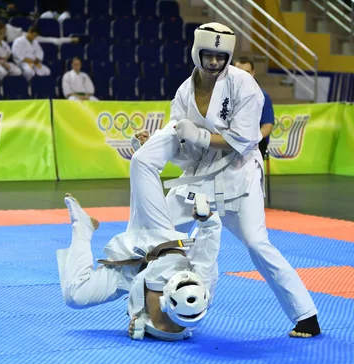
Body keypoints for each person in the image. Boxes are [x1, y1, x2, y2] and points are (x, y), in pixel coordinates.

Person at [133, 22, 320, 338]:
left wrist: (201, 135)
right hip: (200, 176)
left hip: (239, 175)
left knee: (257, 242)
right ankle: (146, 311)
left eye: (221, 57)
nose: (215, 63)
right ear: (197, 52)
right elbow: (186, 150)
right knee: (157, 237)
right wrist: (154, 143)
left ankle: (306, 315)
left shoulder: (244, 85)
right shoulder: (183, 93)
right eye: (209, 55)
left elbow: (245, 139)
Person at [57, 125, 222, 341]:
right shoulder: (202, 283)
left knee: (74, 296)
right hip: (164, 243)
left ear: (166, 304)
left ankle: (83, 228)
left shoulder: (164, 321)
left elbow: (140, 314)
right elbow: (210, 239)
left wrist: (137, 319)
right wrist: (207, 217)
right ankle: (171, 130)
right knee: (142, 163)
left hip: (133, 265)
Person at [233, 57, 274, 158]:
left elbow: (267, 126)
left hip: (254, 142)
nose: (242, 76)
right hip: (229, 140)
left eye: (246, 72)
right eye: (239, 72)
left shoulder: (262, 96)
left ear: (253, 73)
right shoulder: (223, 94)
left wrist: (251, 139)